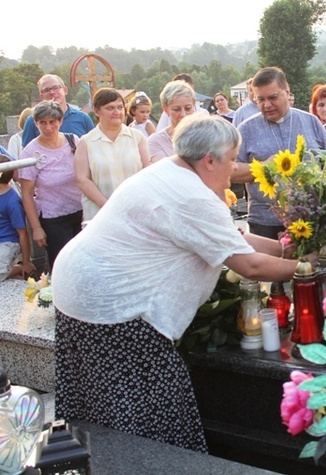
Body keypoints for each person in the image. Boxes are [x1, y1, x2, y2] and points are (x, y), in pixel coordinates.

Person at [52, 114, 307, 453]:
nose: (234, 169)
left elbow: (233, 239)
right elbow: (250, 265)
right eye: (232, 159)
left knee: (100, 407)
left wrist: (291, 248)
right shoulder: (192, 196)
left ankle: (104, 459)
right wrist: (308, 268)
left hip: (79, 291)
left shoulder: (169, 172)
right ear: (210, 160)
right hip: (114, 309)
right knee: (147, 414)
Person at [231, 67, 326, 239]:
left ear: (287, 92)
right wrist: (263, 168)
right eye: (260, 99)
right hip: (265, 222)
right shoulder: (245, 129)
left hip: (311, 220)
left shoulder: (311, 122)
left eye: (272, 98)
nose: (266, 105)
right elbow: (231, 171)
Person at [18, 101, 83, 272]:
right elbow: (27, 194)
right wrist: (36, 228)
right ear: (36, 123)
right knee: (62, 265)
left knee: (83, 261)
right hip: (53, 217)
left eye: (52, 122)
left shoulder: (73, 141)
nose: (48, 127)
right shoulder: (31, 153)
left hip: (80, 211)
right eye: (43, 123)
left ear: (60, 121)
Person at [75, 88, 150, 221]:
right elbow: (83, 179)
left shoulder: (137, 138)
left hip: (135, 212)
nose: (117, 112)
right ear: (97, 111)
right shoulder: (86, 142)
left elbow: (147, 171)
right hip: (100, 215)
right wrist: (108, 206)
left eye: (120, 107)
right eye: (110, 108)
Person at [21, 75, 94, 147]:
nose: (52, 92)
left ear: (65, 90)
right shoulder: (32, 121)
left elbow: (93, 147)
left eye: (55, 88)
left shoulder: (83, 118)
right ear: (42, 96)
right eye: (47, 90)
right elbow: (27, 154)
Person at [0, 155, 34, 280]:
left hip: (8, 241)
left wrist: (26, 261)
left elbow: (22, 233)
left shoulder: (12, 201)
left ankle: (18, 268)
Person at [148, 81, 196, 163]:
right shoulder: (156, 141)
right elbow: (164, 171)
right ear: (166, 110)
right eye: (176, 109)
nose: (183, 114)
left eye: (188, 108)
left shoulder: (206, 137)